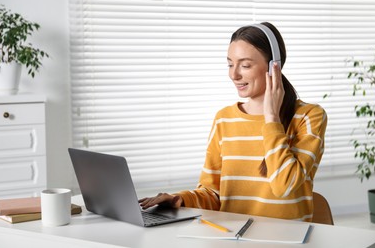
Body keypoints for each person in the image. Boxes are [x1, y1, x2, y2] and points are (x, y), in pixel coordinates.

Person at [139, 22, 327, 222]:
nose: (233, 74)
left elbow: (284, 185)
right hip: (233, 238)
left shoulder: (309, 117)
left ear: (275, 67)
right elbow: (213, 194)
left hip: (287, 240)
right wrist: (179, 199)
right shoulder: (224, 119)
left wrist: (271, 118)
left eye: (245, 65)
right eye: (230, 64)